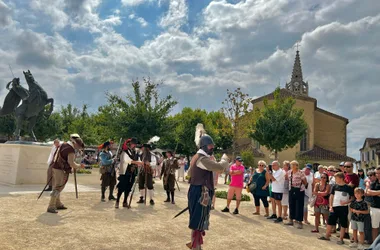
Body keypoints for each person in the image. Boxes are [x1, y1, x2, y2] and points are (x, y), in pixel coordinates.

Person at [187, 134, 229, 250]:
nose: (212, 148)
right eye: (210, 146)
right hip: (201, 193)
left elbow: (190, 174)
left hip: (198, 191)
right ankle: (196, 246)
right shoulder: (201, 158)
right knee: (198, 221)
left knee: (197, 220)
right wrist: (225, 160)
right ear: (204, 146)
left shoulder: (197, 157)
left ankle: (194, 243)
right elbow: (220, 167)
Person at [47, 134, 85, 213]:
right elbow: (71, 163)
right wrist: (79, 166)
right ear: (75, 143)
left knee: (57, 186)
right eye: (78, 146)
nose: (78, 147)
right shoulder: (70, 149)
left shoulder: (63, 144)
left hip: (55, 168)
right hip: (61, 170)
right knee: (58, 187)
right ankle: (51, 206)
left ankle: (57, 203)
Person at [318, 172, 354, 245]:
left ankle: (341, 239)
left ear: (341, 178)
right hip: (334, 207)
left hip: (343, 208)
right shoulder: (334, 186)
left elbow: (352, 198)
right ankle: (327, 236)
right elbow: (331, 196)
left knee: (343, 223)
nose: (335, 179)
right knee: (330, 221)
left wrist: (346, 202)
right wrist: (330, 206)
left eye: (336, 178)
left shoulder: (348, 187)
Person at [115, 138, 142, 208]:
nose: (135, 145)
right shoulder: (124, 152)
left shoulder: (135, 152)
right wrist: (138, 162)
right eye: (133, 144)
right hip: (125, 172)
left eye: (135, 144)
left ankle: (125, 201)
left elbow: (137, 160)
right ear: (130, 144)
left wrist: (139, 163)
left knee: (128, 188)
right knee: (122, 187)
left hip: (132, 172)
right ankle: (117, 201)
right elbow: (127, 160)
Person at [285, 160, 307, 229]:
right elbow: (286, 178)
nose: (293, 166)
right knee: (291, 204)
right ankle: (291, 219)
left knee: (299, 206)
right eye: (292, 165)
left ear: (297, 166)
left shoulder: (301, 172)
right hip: (291, 190)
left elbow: (305, 181)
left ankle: (299, 221)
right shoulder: (289, 172)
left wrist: (301, 185)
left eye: (294, 165)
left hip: (299, 190)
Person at [366, 166, 380, 244]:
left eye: (379, 173)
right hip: (375, 208)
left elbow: (371, 192)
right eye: (376, 173)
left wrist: (374, 193)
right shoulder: (373, 183)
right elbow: (368, 192)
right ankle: (374, 245)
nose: (378, 175)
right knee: (374, 227)